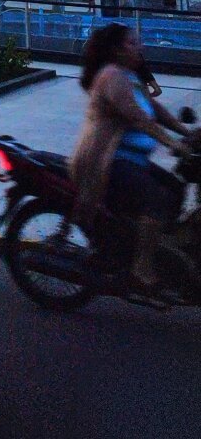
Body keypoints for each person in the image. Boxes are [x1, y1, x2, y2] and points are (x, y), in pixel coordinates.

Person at [69, 24, 193, 293]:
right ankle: (141, 269)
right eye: (132, 43)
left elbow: (155, 109)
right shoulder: (111, 76)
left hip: (130, 160)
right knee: (158, 200)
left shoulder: (129, 75)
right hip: (107, 162)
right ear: (116, 50)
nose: (139, 47)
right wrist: (174, 144)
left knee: (175, 188)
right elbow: (138, 117)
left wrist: (187, 133)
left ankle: (149, 245)